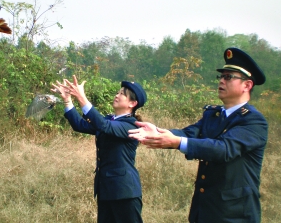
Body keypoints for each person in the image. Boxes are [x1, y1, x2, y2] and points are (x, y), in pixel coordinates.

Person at [129, 47, 267, 223]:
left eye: (228, 77)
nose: (221, 81)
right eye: (221, 76)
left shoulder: (254, 121)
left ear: (247, 85)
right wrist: (159, 132)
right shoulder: (214, 114)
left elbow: (224, 149)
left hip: (234, 214)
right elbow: (190, 133)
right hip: (204, 210)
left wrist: (177, 142)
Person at [51, 75, 147, 223]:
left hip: (125, 192)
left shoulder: (132, 125)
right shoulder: (110, 120)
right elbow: (80, 125)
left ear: (132, 103)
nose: (117, 95)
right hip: (106, 190)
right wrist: (67, 100)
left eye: (122, 94)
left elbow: (103, 126)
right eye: (118, 92)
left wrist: (82, 98)